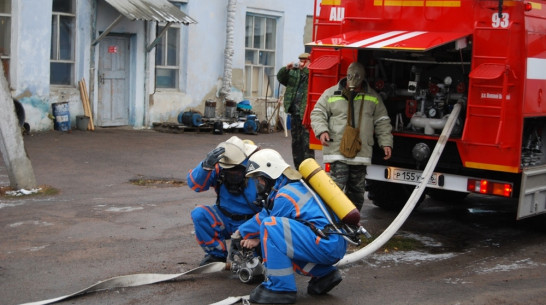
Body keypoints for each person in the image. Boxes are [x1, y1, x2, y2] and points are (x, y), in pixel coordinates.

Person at [236, 148, 347, 304]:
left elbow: (268, 223)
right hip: (331, 242)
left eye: (259, 179)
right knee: (284, 247)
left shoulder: (285, 195)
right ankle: (324, 275)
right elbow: (266, 215)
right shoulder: (293, 187)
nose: (258, 184)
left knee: (270, 228)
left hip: (324, 243)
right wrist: (242, 232)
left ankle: (279, 289)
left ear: (270, 175)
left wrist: (256, 240)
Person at [310, 61, 393, 212]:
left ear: (363, 78)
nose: (352, 81)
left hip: (360, 154)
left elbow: (382, 121)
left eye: (357, 77)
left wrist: (386, 142)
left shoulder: (372, 97)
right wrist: (322, 131)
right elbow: (318, 113)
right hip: (337, 151)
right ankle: (327, 221)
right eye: (350, 77)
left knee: (356, 194)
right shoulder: (331, 94)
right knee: (333, 191)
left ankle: (351, 225)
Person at [187, 136, 261, 266]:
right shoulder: (220, 168)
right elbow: (195, 185)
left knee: (254, 263)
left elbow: (271, 210)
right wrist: (205, 166)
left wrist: (253, 234)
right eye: (229, 170)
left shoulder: (258, 173)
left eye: (236, 170)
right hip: (225, 219)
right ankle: (216, 255)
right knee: (199, 214)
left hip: (251, 222)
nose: (232, 173)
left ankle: (255, 253)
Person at [277, 52, 315, 169]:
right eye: (300, 61)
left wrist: (306, 69)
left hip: (306, 114)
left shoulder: (312, 72)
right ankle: (298, 168)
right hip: (295, 112)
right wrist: (286, 69)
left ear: (309, 61)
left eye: (304, 61)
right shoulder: (294, 72)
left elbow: (312, 81)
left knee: (307, 144)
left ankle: (309, 169)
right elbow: (281, 78)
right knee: (296, 143)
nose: (301, 63)